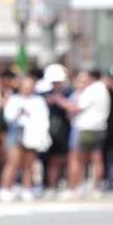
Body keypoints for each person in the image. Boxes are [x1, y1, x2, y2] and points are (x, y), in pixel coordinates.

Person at [57, 69, 111, 199]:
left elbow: (76, 108)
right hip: (100, 128)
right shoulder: (103, 89)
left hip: (85, 129)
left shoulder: (92, 90)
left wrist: (60, 101)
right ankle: (95, 188)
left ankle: (73, 188)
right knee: (96, 159)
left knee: (76, 159)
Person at [0, 74, 50, 202]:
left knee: (29, 163)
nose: (27, 88)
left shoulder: (38, 101)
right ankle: (6, 188)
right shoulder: (14, 99)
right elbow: (9, 117)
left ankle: (26, 188)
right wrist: (19, 113)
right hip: (16, 132)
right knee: (13, 162)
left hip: (32, 134)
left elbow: (42, 118)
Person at [41, 64, 71, 199]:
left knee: (61, 159)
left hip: (62, 131)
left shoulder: (68, 92)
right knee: (48, 160)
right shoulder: (42, 93)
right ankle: (48, 185)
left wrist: (61, 101)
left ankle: (58, 184)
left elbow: (72, 107)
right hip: (46, 131)